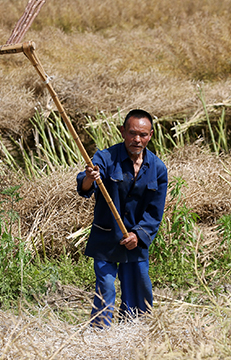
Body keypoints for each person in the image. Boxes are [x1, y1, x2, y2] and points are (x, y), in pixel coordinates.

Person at [76, 109, 168, 327]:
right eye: (132, 133)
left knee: (137, 288)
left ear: (150, 135)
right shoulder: (106, 158)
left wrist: (139, 235)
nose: (137, 139)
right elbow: (85, 185)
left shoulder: (158, 169)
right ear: (122, 132)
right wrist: (91, 177)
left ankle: (134, 330)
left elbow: (155, 212)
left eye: (143, 135)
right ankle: (101, 333)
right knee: (106, 286)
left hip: (135, 240)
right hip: (107, 237)